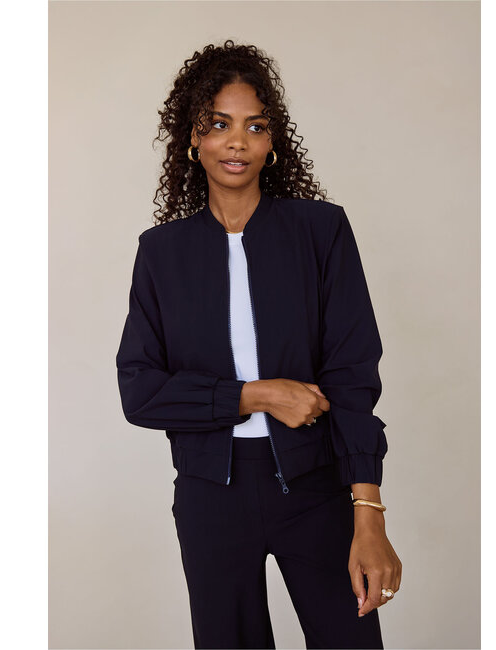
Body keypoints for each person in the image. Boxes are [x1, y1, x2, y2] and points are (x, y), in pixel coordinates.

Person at [116, 39, 402, 649]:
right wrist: (257, 395)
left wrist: (368, 512)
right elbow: (140, 391)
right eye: (218, 124)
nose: (237, 142)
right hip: (210, 497)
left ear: (273, 143)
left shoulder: (320, 231)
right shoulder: (161, 253)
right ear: (193, 139)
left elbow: (352, 376)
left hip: (317, 486)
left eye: (255, 126)